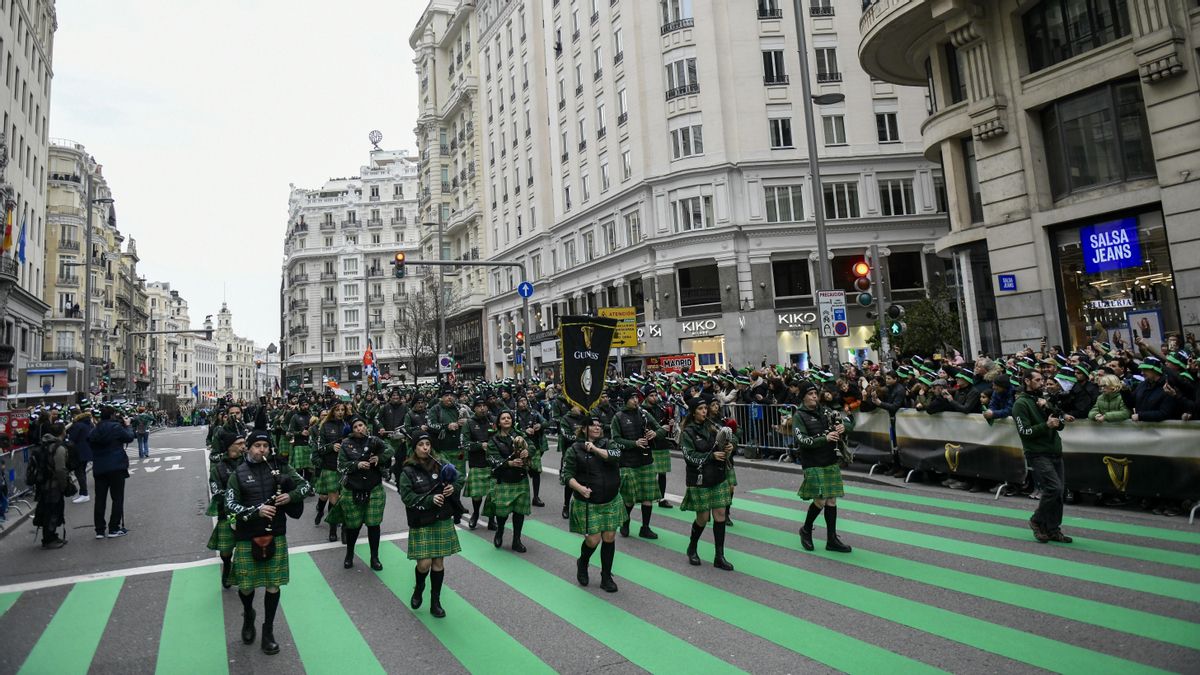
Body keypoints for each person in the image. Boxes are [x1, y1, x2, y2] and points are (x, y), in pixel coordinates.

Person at [225, 430, 312, 655]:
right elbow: (230, 506)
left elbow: (305, 486)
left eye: (265, 445)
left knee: (273, 584)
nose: (261, 449)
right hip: (247, 535)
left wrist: (291, 496)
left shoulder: (280, 467)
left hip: (276, 533)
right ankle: (248, 616)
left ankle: (268, 630)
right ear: (249, 448)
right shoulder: (239, 473)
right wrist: (257, 511)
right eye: (257, 445)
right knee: (246, 586)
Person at [399, 432, 464, 619]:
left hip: (442, 517)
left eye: (428, 444)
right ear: (415, 448)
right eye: (421, 444)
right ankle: (419, 588)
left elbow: (459, 478)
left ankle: (435, 602)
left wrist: (454, 487)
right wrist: (429, 500)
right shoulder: (408, 470)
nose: (425, 447)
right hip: (422, 520)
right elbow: (407, 497)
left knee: (438, 562)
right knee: (424, 563)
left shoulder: (441, 462)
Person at [792, 382, 855, 553]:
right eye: (810, 393)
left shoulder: (826, 411)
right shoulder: (799, 415)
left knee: (832, 500)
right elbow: (802, 440)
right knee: (820, 500)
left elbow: (847, 422)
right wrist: (824, 439)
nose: (814, 396)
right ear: (803, 396)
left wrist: (844, 427)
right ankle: (806, 529)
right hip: (812, 462)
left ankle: (831, 539)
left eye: (815, 393)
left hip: (830, 459)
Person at [563, 416, 623, 592]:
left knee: (609, 538)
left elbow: (616, 456)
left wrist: (595, 449)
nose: (597, 427)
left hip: (611, 499)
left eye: (599, 425)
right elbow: (566, 475)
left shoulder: (608, 444)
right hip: (588, 501)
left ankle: (606, 576)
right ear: (583, 428)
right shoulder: (574, 449)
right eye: (592, 425)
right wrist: (580, 488)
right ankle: (583, 562)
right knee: (593, 540)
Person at [1013, 370, 1072, 544]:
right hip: (1037, 453)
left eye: (1043, 380)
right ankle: (1037, 520)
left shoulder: (1044, 401)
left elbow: (1059, 425)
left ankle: (1053, 529)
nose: (1042, 383)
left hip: (1054, 450)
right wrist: (1045, 425)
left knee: (1059, 492)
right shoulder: (1021, 404)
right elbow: (1024, 432)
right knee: (1054, 488)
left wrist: (1049, 411)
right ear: (1027, 381)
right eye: (1037, 380)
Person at [328, 417, 393, 570]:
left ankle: (374, 557)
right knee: (353, 526)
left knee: (373, 525)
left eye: (361, 425)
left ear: (365, 426)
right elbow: (341, 466)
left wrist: (379, 457)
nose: (359, 428)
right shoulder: (345, 444)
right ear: (351, 430)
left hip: (374, 488)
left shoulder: (374, 440)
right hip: (352, 489)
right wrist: (356, 464)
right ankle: (349, 554)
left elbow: (390, 450)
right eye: (355, 426)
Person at [679, 398, 734, 571]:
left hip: (718, 477)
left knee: (720, 516)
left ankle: (719, 556)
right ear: (693, 411)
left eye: (705, 408)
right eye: (701, 408)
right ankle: (692, 547)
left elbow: (724, 442)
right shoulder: (687, 432)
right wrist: (711, 457)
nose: (705, 411)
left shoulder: (713, 426)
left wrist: (729, 448)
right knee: (702, 518)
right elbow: (690, 457)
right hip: (699, 479)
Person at [611, 390, 663, 539]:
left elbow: (660, 429)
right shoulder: (618, 417)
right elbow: (615, 440)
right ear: (626, 400)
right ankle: (625, 522)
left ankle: (645, 528)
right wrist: (634, 443)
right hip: (627, 463)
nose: (636, 400)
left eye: (636, 397)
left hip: (646, 460)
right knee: (629, 497)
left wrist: (655, 434)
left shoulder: (644, 414)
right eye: (632, 398)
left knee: (648, 496)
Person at [485, 410, 531, 552]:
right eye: (503, 418)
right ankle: (500, 531)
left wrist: (528, 451)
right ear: (498, 422)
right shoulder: (493, 440)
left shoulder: (519, 435)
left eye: (509, 418)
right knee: (502, 513)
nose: (506, 420)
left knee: (519, 512)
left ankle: (516, 540)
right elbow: (491, 459)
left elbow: (533, 446)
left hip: (520, 478)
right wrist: (509, 464)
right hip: (503, 479)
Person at [89, 407, 135, 539]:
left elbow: (90, 441)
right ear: (112, 416)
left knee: (100, 499)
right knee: (117, 498)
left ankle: (99, 529)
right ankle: (114, 528)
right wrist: (128, 425)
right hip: (116, 466)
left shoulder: (95, 430)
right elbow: (130, 437)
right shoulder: (116, 428)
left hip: (100, 467)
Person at [207, 431, 245, 588]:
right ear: (229, 447)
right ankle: (227, 565)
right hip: (230, 514)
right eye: (239, 443)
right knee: (226, 550)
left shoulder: (250, 463)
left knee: (245, 546)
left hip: (250, 512)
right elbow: (216, 492)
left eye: (244, 443)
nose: (244, 447)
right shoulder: (218, 469)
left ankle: (242, 573)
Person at [312, 402, 349, 542]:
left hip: (345, 467)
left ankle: (345, 530)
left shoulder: (348, 425)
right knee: (327, 498)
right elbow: (320, 448)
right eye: (337, 409)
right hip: (330, 467)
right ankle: (331, 528)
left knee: (344, 501)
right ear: (333, 411)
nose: (340, 412)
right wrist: (331, 447)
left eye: (342, 410)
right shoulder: (325, 426)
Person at [32, 423, 71, 549]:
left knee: (47, 509)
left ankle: (51, 535)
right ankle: (49, 538)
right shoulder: (58, 448)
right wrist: (65, 485)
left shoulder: (44, 445)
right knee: (53, 511)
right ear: (62, 432)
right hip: (53, 484)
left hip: (43, 483)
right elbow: (60, 469)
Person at [462, 397, 496, 530]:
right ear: (474, 408)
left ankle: (492, 519)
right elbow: (464, 444)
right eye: (479, 406)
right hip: (477, 463)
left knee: (493, 494)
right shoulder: (469, 423)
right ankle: (475, 514)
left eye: (484, 405)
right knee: (477, 495)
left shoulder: (493, 421)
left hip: (493, 463)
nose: (482, 408)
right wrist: (480, 445)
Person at [641, 387, 675, 509]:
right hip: (650, 444)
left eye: (655, 395)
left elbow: (665, 425)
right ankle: (647, 497)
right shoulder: (642, 410)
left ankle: (662, 498)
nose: (654, 397)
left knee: (662, 473)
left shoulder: (661, 408)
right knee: (651, 474)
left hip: (662, 443)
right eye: (651, 395)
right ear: (646, 397)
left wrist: (670, 424)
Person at [514, 395, 548, 507]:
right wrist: (524, 430)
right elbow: (512, 428)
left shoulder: (534, 413)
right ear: (517, 403)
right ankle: (520, 497)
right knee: (520, 472)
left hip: (534, 446)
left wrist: (540, 425)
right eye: (520, 401)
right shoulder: (514, 415)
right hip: (519, 448)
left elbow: (546, 422)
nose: (523, 403)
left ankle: (536, 497)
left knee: (536, 472)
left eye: (524, 400)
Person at [66, 409, 94, 504]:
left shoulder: (77, 425)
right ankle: (83, 493)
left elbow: (72, 438)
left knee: (79, 473)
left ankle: (84, 493)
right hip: (86, 451)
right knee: (82, 472)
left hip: (78, 452)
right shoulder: (89, 424)